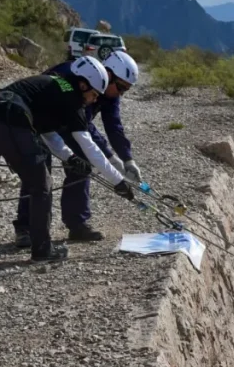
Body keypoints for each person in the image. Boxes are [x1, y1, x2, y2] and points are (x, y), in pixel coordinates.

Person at [0, 56, 135, 265]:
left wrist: (70, 157)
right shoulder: (73, 99)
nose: (95, 100)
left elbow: (47, 132)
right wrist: (118, 182)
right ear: (83, 84)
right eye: (94, 94)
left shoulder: (53, 86)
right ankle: (42, 250)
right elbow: (90, 147)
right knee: (41, 185)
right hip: (11, 118)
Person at [13, 51, 142, 245]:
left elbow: (113, 125)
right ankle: (26, 228)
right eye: (121, 87)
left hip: (68, 124)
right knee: (38, 170)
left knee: (82, 164)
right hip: (39, 121)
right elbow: (84, 126)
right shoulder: (82, 77)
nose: (121, 93)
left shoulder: (109, 92)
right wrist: (110, 160)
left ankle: (77, 225)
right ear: (110, 74)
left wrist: (126, 159)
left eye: (126, 90)